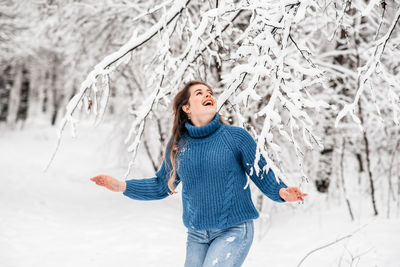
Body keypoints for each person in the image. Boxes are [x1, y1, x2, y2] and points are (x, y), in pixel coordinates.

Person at [90, 80, 308, 267]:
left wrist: (281, 192)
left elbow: (262, 173)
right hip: (197, 235)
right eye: (199, 93)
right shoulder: (178, 146)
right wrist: (122, 186)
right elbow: (161, 185)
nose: (208, 95)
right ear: (186, 108)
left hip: (234, 229)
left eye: (209, 93)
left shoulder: (236, 137)